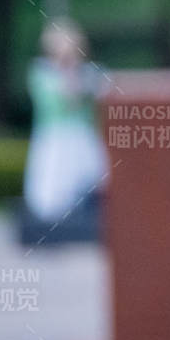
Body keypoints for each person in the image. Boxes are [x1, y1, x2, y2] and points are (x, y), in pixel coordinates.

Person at [21, 19, 108, 240]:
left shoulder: (89, 73)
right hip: (55, 138)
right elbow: (67, 99)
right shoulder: (43, 74)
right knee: (54, 189)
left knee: (95, 179)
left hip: (83, 136)